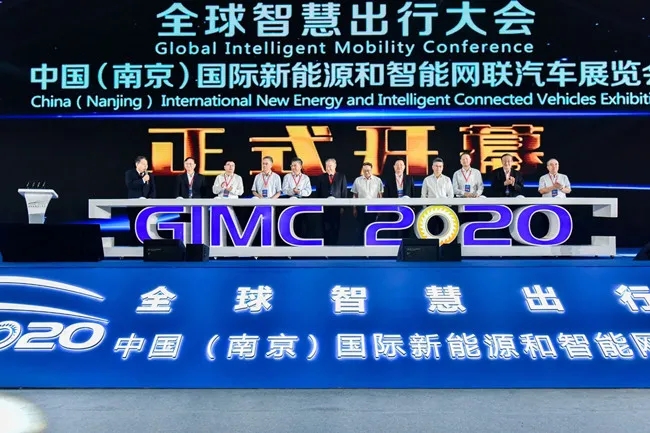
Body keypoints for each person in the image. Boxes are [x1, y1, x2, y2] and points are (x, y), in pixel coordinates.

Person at [313, 158, 348, 246]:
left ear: (335, 166)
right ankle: (326, 246)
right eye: (327, 166)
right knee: (325, 227)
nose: (328, 168)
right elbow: (318, 193)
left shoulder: (341, 176)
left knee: (335, 227)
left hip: (337, 207)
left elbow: (344, 192)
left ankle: (334, 245)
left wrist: (343, 207)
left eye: (330, 166)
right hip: (324, 208)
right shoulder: (321, 177)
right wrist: (318, 206)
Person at [124, 156, 156, 246]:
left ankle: (146, 244)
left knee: (145, 225)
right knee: (133, 224)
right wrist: (142, 180)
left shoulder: (149, 175)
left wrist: (151, 199)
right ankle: (133, 245)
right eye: (143, 164)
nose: (145, 166)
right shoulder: (130, 173)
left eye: (146, 165)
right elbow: (130, 185)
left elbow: (153, 190)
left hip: (145, 205)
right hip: (133, 205)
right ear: (137, 164)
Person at [382, 159, 416, 239]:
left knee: (406, 231)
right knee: (393, 230)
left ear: (404, 167)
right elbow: (386, 195)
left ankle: (406, 245)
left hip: (407, 208)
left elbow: (413, 193)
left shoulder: (409, 178)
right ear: (394, 167)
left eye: (401, 165)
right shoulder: (389, 179)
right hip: (394, 209)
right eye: (397, 165)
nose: (399, 167)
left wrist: (413, 207)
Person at [351, 162, 383, 245]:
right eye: (365, 170)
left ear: (371, 170)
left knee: (372, 227)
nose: (366, 172)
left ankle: (371, 246)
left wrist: (380, 208)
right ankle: (361, 247)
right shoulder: (357, 180)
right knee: (361, 228)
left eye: (368, 170)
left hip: (373, 208)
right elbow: (355, 195)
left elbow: (380, 195)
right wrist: (354, 208)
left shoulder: (378, 180)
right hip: (361, 208)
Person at [282, 157, 312, 239]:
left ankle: (302, 239)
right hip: (289, 202)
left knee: (302, 223)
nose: (293, 167)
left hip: (302, 202)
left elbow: (308, 191)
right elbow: (284, 190)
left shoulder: (305, 178)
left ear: (300, 166)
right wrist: (292, 191)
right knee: (290, 223)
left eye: (295, 165)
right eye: (292, 165)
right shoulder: (287, 177)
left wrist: (300, 192)